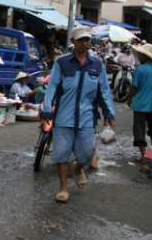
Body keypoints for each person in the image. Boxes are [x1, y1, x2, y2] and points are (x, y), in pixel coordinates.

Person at [41, 26, 115, 203]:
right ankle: (63, 187)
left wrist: (108, 112)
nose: (84, 43)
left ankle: (78, 167)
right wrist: (46, 109)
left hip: (87, 116)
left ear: (90, 42)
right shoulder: (62, 62)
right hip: (64, 116)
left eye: (87, 40)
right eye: (80, 40)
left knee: (87, 152)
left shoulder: (97, 64)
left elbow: (104, 90)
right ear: (73, 41)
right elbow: (52, 87)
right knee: (61, 152)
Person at [126, 43, 152, 164]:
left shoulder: (140, 69)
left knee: (139, 129)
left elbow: (134, 87)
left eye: (141, 54)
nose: (138, 55)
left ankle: (143, 154)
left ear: (145, 55)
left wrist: (129, 98)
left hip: (140, 104)